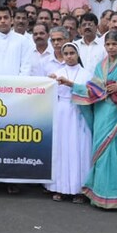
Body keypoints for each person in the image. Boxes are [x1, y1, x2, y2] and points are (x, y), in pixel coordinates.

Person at [71, 31, 117, 211]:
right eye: (108, 44)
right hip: (102, 113)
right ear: (104, 46)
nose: (111, 47)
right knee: (102, 153)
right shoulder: (100, 66)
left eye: (114, 44)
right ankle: (100, 194)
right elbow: (93, 89)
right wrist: (72, 85)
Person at [50, 42, 92, 203]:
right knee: (62, 149)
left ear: (78, 54)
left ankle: (79, 190)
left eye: (72, 53)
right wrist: (49, 82)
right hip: (61, 112)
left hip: (79, 112)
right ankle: (59, 188)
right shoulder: (57, 72)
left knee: (78, 149)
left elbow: (90, 93)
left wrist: (70, 84)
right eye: (66, 54)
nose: (69, 56)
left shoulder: (87, 74)